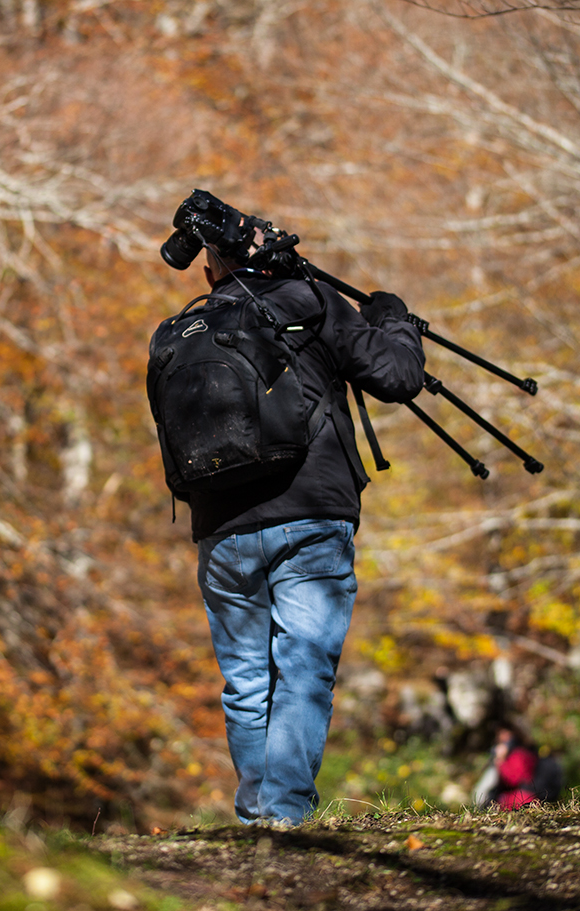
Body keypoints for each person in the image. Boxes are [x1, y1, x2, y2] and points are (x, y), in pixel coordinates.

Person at [173, 214, 426, 825]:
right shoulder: (309, 301)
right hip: (311, 514)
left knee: (245, 681)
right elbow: (398, 377)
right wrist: (393, 319)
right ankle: (284, 816)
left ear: (209, 273)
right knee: (304, 668)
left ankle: (257, 815)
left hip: (222, 528)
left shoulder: (179, 330)